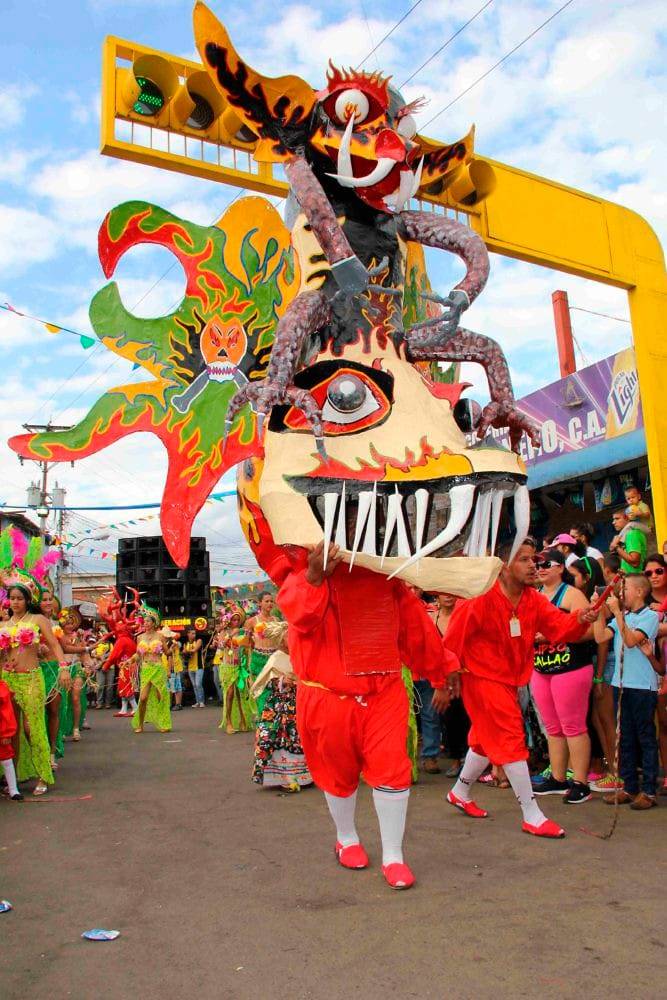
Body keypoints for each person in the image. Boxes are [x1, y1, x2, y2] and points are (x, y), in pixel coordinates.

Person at [278, 540, 456, 890]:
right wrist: (314, 576)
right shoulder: (305, 570)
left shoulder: (385, 576)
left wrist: (441, 671)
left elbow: (415, 630)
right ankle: (346, 838)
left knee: (392, 768)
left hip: (383, 692)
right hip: (327, 696)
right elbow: (300, 618)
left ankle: (394, 856)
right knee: (337, 771)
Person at [444, 538, 598, 838]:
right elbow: (451, 641)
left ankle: (459, 792)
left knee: (483, 739)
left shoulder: (532, 599)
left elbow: (558, 627)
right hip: (480, 677)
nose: (533, 566)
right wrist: (443, 681)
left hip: (509, 679)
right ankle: (532, 814)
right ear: (503, 566)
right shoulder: (478, 597)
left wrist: (580, 617)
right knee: (511, 738)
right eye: (524, 560)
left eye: (534, 560)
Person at [530, 550, 596, 803]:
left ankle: (580, 782)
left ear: (560, 568)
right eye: (537, 564)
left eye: (546, 564)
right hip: (541, 667)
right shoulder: (535, 595)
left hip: (570, 667)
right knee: (552, 727)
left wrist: (552, 635)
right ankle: (558, 778)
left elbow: (590, 630)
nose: (541, 568)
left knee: (573, 726)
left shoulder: (571, 594)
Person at [593, 576, 662, 809]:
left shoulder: (650, 617)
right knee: (625, 738)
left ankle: (649, 791)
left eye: (626, 589)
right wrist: (599, 612)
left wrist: (617, 613)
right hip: (621, 684)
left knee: (645, 737)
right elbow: (601, 637)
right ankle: (629, 787)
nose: (621, 593)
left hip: (642, 686)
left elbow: (631, 641)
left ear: (640, 592)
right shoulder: (624, 617)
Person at [0, 574, 68, 795]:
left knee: (33, 728)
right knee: (11, 730)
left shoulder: (37, 620)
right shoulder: (4, 624)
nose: (15, 602)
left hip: (31, 678)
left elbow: (55, 645)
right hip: (9, 680)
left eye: (20, 598)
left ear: (28, 600)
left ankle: (43, 774)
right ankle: (13, 780)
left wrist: (63, 668)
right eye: (12, 598)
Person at [251, 619, 312, 791]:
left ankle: (304, 777)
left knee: (301, 737)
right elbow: (265, 682)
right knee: (277, 738)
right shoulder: (276, 658)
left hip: (300, 702)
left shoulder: (301, 654)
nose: (292, 639)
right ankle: (284, 778)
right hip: (279, 707)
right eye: (288, 637)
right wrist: (282, 681)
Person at [38, 590, 71, 770]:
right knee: (37, 715)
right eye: (44, 600)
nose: (48, 602)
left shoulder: (56, 625)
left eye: (50, 599)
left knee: (53, 710)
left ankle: (51, 753)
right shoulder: (30, 622)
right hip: (37, 670)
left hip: (54, 670)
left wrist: (85, 651)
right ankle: (39, 753)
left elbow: (63, 647)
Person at [644, 553, 667, 795]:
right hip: (655, 668)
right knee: (663, 723)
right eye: (648, 573)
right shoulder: (643, 599)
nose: (654, 576)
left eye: (658, 571)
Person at [132, 606, 172, 734]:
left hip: (158, 668)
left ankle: (163, 723)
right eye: (144, 621)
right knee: (143, 698)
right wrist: (129, 661)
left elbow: (167, 652)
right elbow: (138, 654)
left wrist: (173, 649)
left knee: (161, 696)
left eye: (148, 621)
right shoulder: (139, 637)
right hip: (146, 668)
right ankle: (140, 724)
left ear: (154, 623)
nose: (145, 623)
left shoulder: (160, 636)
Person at [217, 608, 256, 734]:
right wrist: (231, 635)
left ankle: (243, 720)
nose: (236, 622)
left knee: (241, 694)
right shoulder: (224, 632)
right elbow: (220, 646)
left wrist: (249, 637)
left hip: (240, 666)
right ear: (229, 621)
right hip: (228, 667)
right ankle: (228, 722)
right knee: (230, 693)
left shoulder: (242, 632)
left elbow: (250, 646)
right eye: (233, 620)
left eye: (238, 620)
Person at [245, 593, 280, 715]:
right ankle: (263, 720)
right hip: (259, 659)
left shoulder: (276, 620)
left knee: (276, 690)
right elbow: (246, 642)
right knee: (263, 692)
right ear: (260, 603)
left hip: (274, 659)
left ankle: (275, 720)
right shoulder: (251, 621)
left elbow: (280, 641)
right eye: (267, 601)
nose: (270, 603)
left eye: (271, 601)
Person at [0, 677, 22, 800]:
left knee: (6, 759)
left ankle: (13, 789)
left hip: (1, 730)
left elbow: (7, 713)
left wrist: (6, 733)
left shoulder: (2, 688)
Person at [609, 509, 646, 575]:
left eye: (617, 519)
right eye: (613, 519)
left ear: (627, 518)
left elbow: (635, 562)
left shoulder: (632, 534)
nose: (613, 522)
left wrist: (616, 547)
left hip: (635, 579)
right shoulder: (629, 534)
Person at [182, 628, 205, 708]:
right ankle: (197, 702)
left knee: (198, 684)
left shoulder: (199, 641)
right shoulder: (186, 643)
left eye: (194, 633)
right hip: (190, 667)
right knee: (194, 685)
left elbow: (194, 650)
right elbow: (184, 652)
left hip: (199, 666)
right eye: (192, 633)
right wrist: (184, 652)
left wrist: (186, 651)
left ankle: (202, 701)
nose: (193, 635)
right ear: (188, 634)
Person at [93, 633, 114, 710]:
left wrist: (103, 660)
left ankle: (108, 703)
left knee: (109, 686)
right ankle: (99, 703)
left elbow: (112, 654)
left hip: (110, 667)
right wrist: (98, 657)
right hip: (99, 667)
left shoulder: (110, 645)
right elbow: (92, 654)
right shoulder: (97, 644)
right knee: (100, 686)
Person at [166, 628, 184, 712]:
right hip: (171, 667)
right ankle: (172, 704)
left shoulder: (171, 643)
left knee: (176, 686)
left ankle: (178, 704)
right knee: (171, 687)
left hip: (173, 668)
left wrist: (169, 670)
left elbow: (170, 656)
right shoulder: (170, 643)